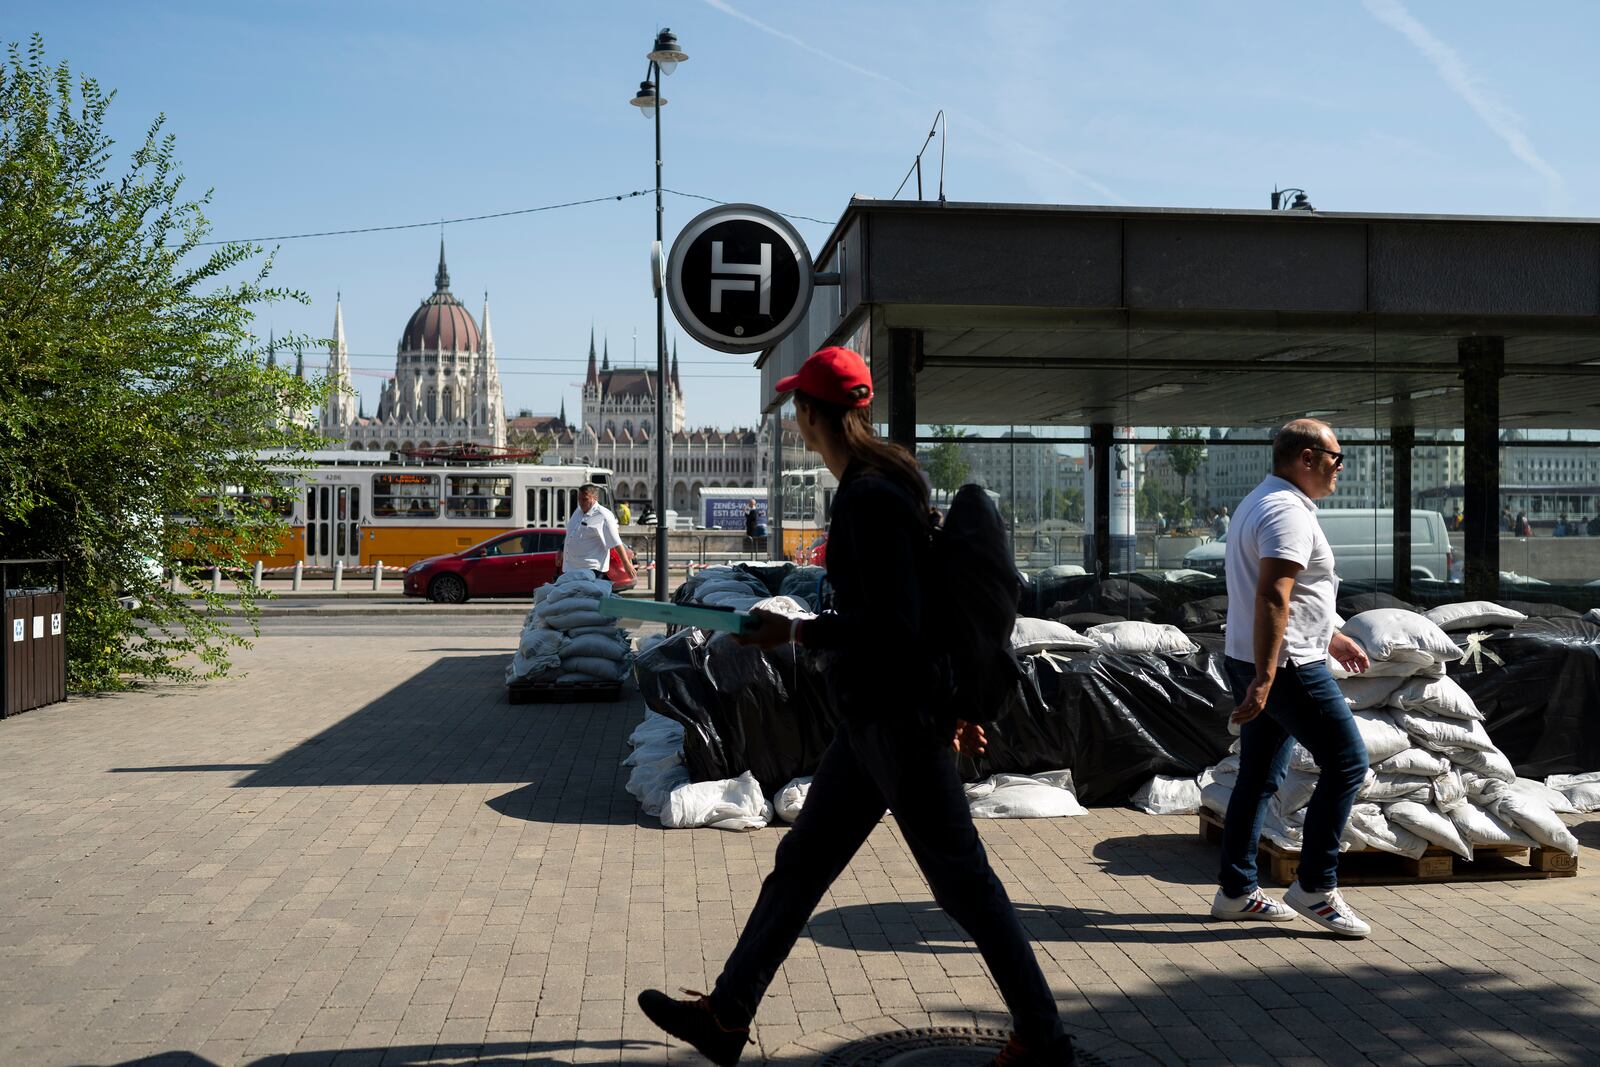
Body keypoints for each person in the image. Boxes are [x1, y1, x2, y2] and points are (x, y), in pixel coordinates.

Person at [636, 347, 1075, 1066]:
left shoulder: (868, 497)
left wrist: (799, 629)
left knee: (965, 884)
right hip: (877, 720)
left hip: (897, 721)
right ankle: (726, 1015)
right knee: (801, 863)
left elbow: (896, 623)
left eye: (797, 410)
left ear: (814, 415)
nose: (794, 421)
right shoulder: (886, 479)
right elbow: (918, 610)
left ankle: (1044, 1036)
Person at [1212, 418, 1375, 939]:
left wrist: (1333, 634)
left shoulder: (1264, 500)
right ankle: (1315, 888)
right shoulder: (1288, 513)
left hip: (1264, 657)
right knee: (1348, 762)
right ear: (1306, 458)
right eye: (1335, 457)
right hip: (1287, 667)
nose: (1339, 468)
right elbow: (1273, 596)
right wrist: (1265, 676)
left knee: (1260, 776)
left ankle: (1236, 891)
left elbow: (1298, 596)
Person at [562, 483, 636, 584]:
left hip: (591, 569)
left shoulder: (604, 515)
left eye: (585, 499)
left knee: (588, 598)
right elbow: (572, 533)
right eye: (579, 499)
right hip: (571, 567)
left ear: (595, 498)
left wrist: (626, 563)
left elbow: (616, 542)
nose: (581, 503)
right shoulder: (578, 511)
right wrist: (561, 549)